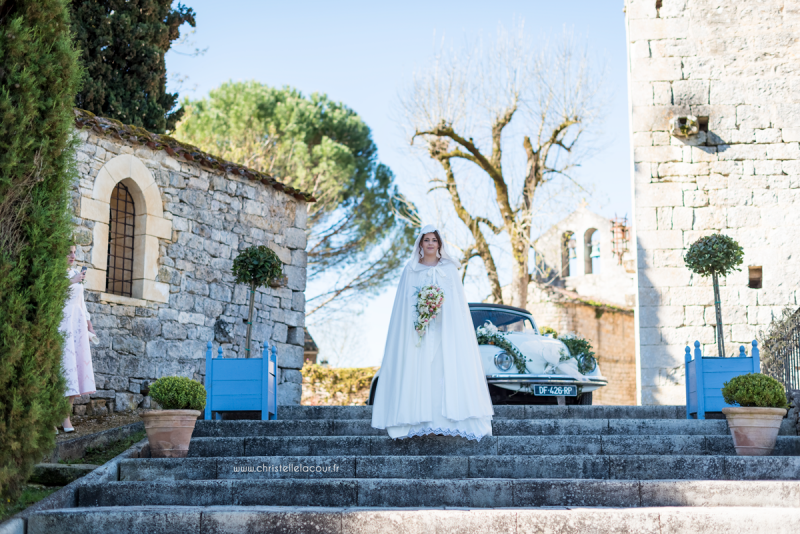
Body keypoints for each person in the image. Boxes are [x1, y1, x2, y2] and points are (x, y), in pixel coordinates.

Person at [371, 224, 494, 441]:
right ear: (420, 243)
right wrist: (422, 313)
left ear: (439, 244)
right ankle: (416, 418)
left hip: (445, 329)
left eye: (434, 240)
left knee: (444, 367)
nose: (430, 243)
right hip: (419, 330)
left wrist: (439, 309)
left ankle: (447, 419)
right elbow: (403, 303)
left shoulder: (449, 270)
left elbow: (457, 304)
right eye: (426, 239)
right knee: (419, 367)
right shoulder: (411, 270)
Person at [60, 245, 96, 432]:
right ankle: (55, 418)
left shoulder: (76, 272)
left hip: (78, 324)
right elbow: (51, 292)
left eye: (74, 252)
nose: (73, 255)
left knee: (75, 369)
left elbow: (81, 302)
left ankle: (66, 416)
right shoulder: (54, 271)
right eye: (69, 251)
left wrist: (89, 325)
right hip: (62, 324)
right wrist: (71, 281)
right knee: (64, 368)